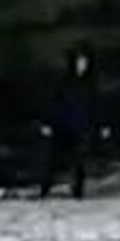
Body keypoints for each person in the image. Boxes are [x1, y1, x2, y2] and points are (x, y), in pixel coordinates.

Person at [40, 47, 103, 200]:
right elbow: (54, 103)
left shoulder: (90, 83)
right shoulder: (64, 82)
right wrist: (48, 123)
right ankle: (46, 188)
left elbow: (95, 105)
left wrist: (101, 124)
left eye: (84, 63)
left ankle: (78, 191)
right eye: (80, 62)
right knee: (56, 160)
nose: (82, 65)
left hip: (81, 126)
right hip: (63, 126)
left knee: (80, 160)